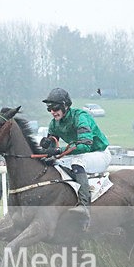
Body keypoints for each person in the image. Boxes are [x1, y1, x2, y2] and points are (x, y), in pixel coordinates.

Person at [39, 87, 111, 215]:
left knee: (77, 162)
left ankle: (84, 205)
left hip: (99, 153)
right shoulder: (54, 124)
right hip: (82, 155)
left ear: (65, 106)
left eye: (55, 108)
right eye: (49, 109)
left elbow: (85, 146)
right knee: (54, 164)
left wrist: (58, 150)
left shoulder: (81, 117)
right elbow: (51, 147)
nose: (52, 112)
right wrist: (46, 145)